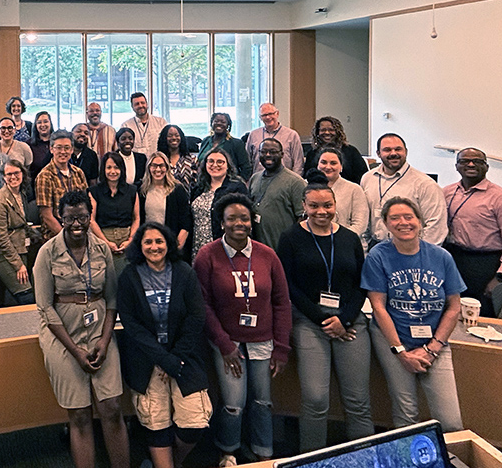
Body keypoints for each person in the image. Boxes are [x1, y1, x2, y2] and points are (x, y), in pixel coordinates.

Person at [193, 193, 291, 466]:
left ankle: (263, 451)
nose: (239, 223)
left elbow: (282, 302)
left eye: (244, 218)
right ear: (222, 223)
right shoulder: (207, 255)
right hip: (226, 341)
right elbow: (202, 304)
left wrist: (281, 348)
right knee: (234, 403)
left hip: (263, 340)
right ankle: (229, 450)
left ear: (252, 222)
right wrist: (224, 345)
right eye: (232, 218)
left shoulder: (267, 255)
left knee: (262, 401)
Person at [276, 176, 372, 452]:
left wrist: (343, 319)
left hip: (350, 323)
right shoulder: (291, 237)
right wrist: (321, 319)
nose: (322, 212)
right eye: (314, 206)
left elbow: (360, 284)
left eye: (327, 205)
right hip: (309, 322)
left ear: (335, 204)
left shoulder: (349, 238)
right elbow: (287, 284)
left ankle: (364, 458)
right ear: (304, 205)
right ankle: (313, 458)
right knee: (316, 399)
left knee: (358, 400)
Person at [34, 190, 129, 468]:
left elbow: (112, 299)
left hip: (100, 328)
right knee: (79, 415)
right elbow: (45, 308)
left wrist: (105, 339)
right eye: (70, 218)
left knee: (111, 409)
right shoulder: (47, 253)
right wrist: (75, 351)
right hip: (62, 333)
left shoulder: (102, 249)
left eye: (83, 218)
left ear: (90, 216)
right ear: (61, 218)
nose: (77, 224)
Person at [361, 197, 465, 432]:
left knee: (450, 421)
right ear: (386, 224)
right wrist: (400, 352)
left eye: (409, 217)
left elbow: (454, 307)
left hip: (435, 341)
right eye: (394, 218)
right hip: (394, 341)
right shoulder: (378, 256)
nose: (403, 222)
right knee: (406, 415)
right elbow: (378, 307)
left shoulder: (441, 257)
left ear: (420, 221)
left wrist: (432, 348)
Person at [117, 222, 212, 468]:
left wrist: (174, 359)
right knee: (156, 421)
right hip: (147, 360)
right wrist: (162, 358)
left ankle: (174, 462)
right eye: (147, 242)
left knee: (194, 422)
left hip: (184, 358)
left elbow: (196, 317)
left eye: (159, 241)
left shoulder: (184, 272)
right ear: (139, 246)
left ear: (168, 243)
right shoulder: (129, 276)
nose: (154, 246)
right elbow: (131, 324)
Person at [443, 147, 502, 318]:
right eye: (465, 161)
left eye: (477, 161)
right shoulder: (447, 192)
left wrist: (501, 278)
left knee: (480, 315)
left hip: (485, 265)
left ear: (486, 167)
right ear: (457, 166)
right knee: (450, 311)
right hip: (453, 258)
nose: (470, 164)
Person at [360, 133, 447, 248]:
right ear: (378, 154)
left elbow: (436, 225)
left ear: (406, 151)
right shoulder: (368, 178)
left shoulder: (425, 184)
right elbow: (364, 218)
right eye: (387, 150)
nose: (393, 153)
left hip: (409, 249)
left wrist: (420, 254)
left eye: (398, 149)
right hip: (376, 247)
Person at [0, 160, 37, 305]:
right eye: (8, 174)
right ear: (3, 177)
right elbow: (1, 237)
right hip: (6, 256)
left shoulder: (21, 194)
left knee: (12, 296)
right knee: (26, 296)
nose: (13, 177)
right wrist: (18, 265)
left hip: (22, 249)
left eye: (16, 173)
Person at [89, 152, 140, 276]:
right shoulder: (94, 191)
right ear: (103, 169)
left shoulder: (132, 190)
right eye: (109, 167)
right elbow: (91, 220)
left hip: (127, 240)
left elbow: (136, 218)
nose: (113, 171)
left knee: (128, 278)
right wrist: (106, 242)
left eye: (116, 167)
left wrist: (130, 240)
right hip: (102, 240)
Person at [191, 149, 249, 259]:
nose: (215, 165)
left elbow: (245, 218)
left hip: (225, 247)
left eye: (220, 162)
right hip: (197, 246)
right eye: (211, 161)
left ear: (228, 165)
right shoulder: (199, 188)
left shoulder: (236, 188)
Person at [249, 138, 307, 249]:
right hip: (258, 247)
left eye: (273, 152)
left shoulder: (295, 182)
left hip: (283, 248)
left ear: (282, 154)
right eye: (263, 152)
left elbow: (303, 218)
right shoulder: (254, 178)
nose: (268, 155)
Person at [36, 130, 88, 241]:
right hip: (56, 236)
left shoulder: (79, 173)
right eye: (59, 147)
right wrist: (66, 237)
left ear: (72, 150)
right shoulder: (45, 176)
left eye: (67, 148)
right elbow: (46, 216)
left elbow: (86, 207)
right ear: (51, 149)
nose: (63, 152)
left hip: (79, 231)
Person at [140, 152, 192, 260]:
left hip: (170, 246)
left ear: (167, 167)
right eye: (154, 165)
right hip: (148, 245)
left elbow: (186, 223)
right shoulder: (141, 190)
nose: (158, 169)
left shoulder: (177, 189)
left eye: (161, 165)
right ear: (148, 167)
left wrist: (176, 247)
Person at [316, 148, 369, 237]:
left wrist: (339, 239)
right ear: (317, 165)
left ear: (341, 167)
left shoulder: (355, 189)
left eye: (333, 163)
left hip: (347, 242)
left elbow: (360, 224)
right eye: (324, 162)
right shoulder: (308, 188)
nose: (328, 167)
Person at [303, 116, 368, 184]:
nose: (327, 132)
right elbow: (308, 177)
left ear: (338, 132)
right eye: (323, 130)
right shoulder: (312, 154)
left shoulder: (351, 152)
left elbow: (362, 177)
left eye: (331, 130)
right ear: (317, 132)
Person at [246, 103, 304, 176]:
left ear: (277, 113)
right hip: (260, 180)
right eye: (264, 115)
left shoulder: (291, 135)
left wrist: (295, 182)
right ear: (260, 118)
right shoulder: (253, 135)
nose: (268, 117)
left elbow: (298, 163)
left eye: (270, 113)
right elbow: (247, 161)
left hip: (285, 180)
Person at [198, 113, 252, 181]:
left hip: (228, 185)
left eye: (223, 122)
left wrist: (237, 184)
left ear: (228, 126)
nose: (219, 123)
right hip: (205, 183)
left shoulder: (237, 144)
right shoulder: (205, 141)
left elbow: (246, 168)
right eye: (216, 121)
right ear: (211, 124)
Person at [121, 92, 167, 156]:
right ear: (132, 107)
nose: (140, 106)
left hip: (156, 162)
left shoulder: (161, 122)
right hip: (135, 162)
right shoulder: (126, 125)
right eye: (137, 104)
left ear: (147, 104)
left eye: (143, 103)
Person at [28, 111, 54, 181]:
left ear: (50, 123)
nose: (43, 125)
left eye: (45, 121)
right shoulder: (28, 145)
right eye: (39, 122)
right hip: (36, 183)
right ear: (35, 125)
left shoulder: (57, 142)